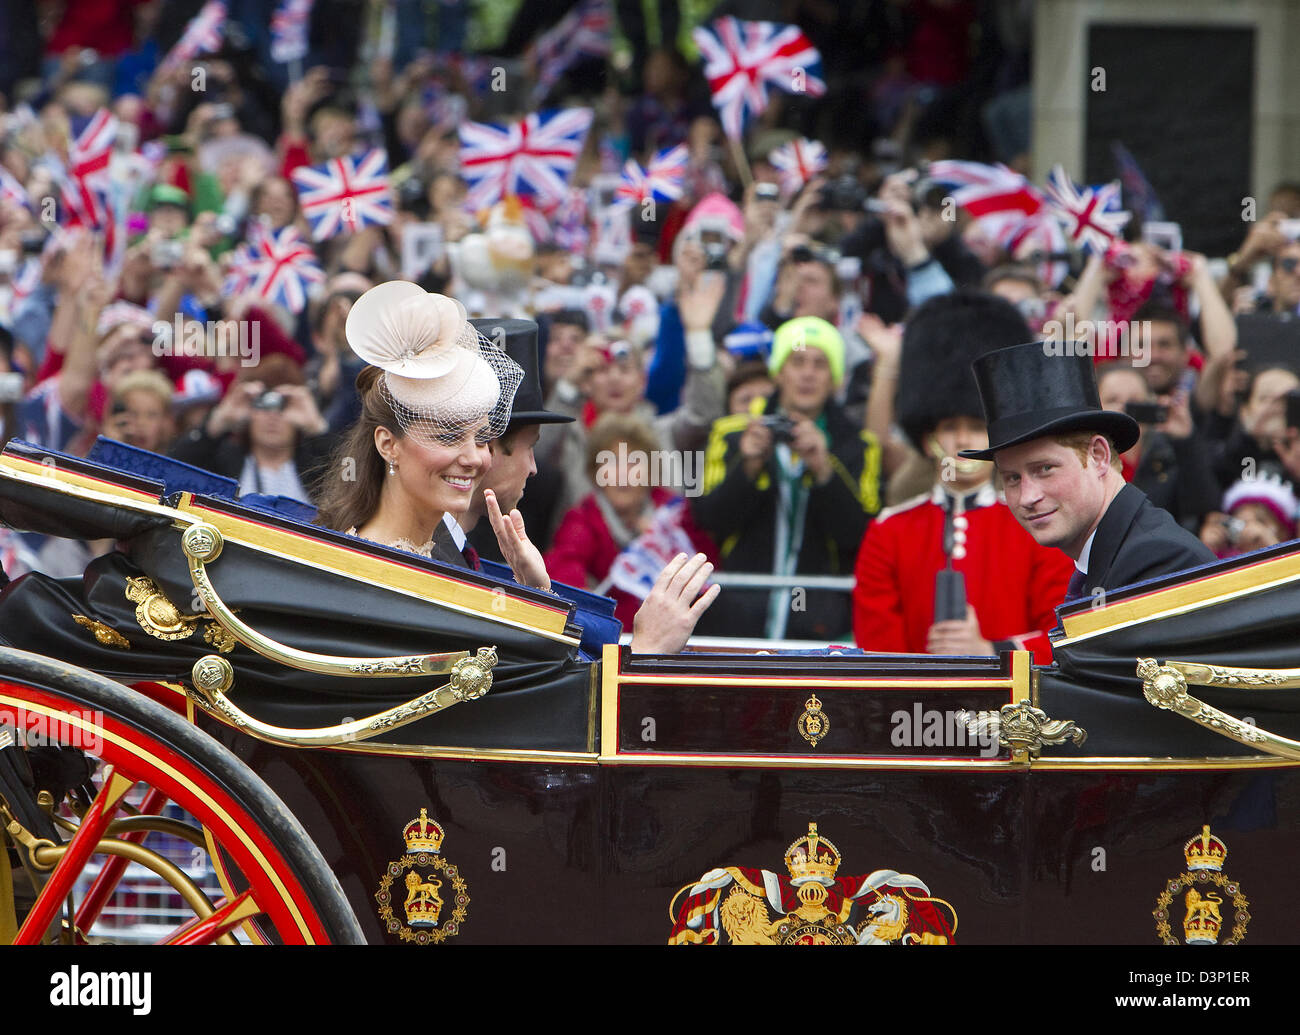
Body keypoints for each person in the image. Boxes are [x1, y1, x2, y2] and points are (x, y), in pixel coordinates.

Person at [853, 293, 1073, 662]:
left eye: (976, 426)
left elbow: (1060, 635)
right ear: (928, 439)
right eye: (950, 427)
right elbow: (878, 648)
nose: (963, 440)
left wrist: (992, 652)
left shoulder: (1037, 525)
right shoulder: (888, 532)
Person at [962, 341, 1216, 603]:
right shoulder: (1118, 553)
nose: (1027, 497)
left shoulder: (1155, 560)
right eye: (1013, 478)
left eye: (1045, 469)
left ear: (1098, 456)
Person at [692, 316, 883, 639]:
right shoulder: (730, 434)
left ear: (835, 379)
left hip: (820, 618)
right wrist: (748, 467)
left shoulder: (859, 445)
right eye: (797, 361)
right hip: (740, 613)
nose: (808, 373)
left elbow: (860, 539)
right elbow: (709, 520)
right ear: (778, 372)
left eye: (820, 364)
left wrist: (824, 470)